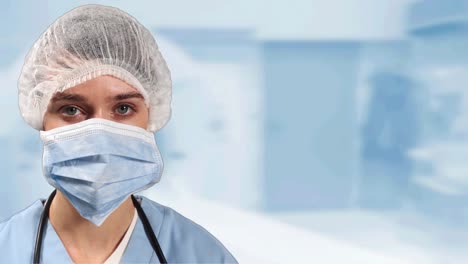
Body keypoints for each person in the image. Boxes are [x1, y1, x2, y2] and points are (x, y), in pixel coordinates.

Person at [0, 4, 237, 263]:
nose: (99, 132)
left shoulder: (200, 254)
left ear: (152, 115)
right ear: (39, 116)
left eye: (123, 108)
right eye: (71, 109)